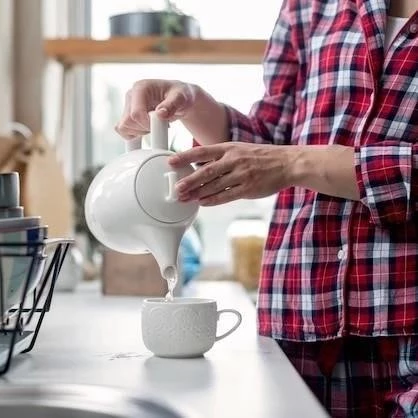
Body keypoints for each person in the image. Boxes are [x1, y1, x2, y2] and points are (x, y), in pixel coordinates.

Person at [115, 0, 418, 416]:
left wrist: (295, 162)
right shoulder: (310, 6)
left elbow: (281, 158)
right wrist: (192, 104)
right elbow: (272, 137)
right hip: (303, 317)